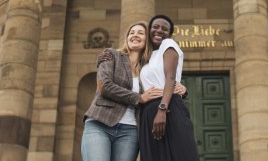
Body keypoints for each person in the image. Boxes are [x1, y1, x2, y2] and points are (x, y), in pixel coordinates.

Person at [81, 21, 186, 161]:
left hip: (130, 131)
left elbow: (165, 84)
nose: (135, 35)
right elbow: (105, 87)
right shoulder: (111, 55)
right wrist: (139, 98)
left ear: (147, 39)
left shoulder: (149, 68)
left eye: (140, 33)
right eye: (132, 33)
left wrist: (183, 90)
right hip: (100, 123)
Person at [138, 14, 200, 161]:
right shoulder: (146, 57)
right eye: (155, 27)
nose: (159, 30)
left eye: (164, 29)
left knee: (181, 155)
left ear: (169, 34)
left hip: (168, 108)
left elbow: (170, 78)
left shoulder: (168, 45)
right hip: (148, 113)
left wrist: (162, 110)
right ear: (149, 30)